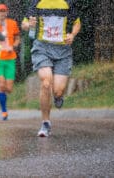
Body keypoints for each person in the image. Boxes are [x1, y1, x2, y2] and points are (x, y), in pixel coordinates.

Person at [21, 0, 81, 137]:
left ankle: (58, 97)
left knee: (58, 91)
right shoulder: (36, 2)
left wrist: (72, 34)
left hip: (63, 51)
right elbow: (24, 24)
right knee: (46, 82)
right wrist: (28, 25)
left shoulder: (67, 2)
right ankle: (45, 122)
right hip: (42, 48)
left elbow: (77, 22)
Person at [0, 4, 20, 121]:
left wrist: (13, 46)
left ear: (7, 12)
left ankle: (3, 97)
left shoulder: (12, 23)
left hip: (10, 58)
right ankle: (4, 111)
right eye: (0, 11)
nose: (2, 13)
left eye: (4, 11)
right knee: (1, 84)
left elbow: (18, 38)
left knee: (9, 88)